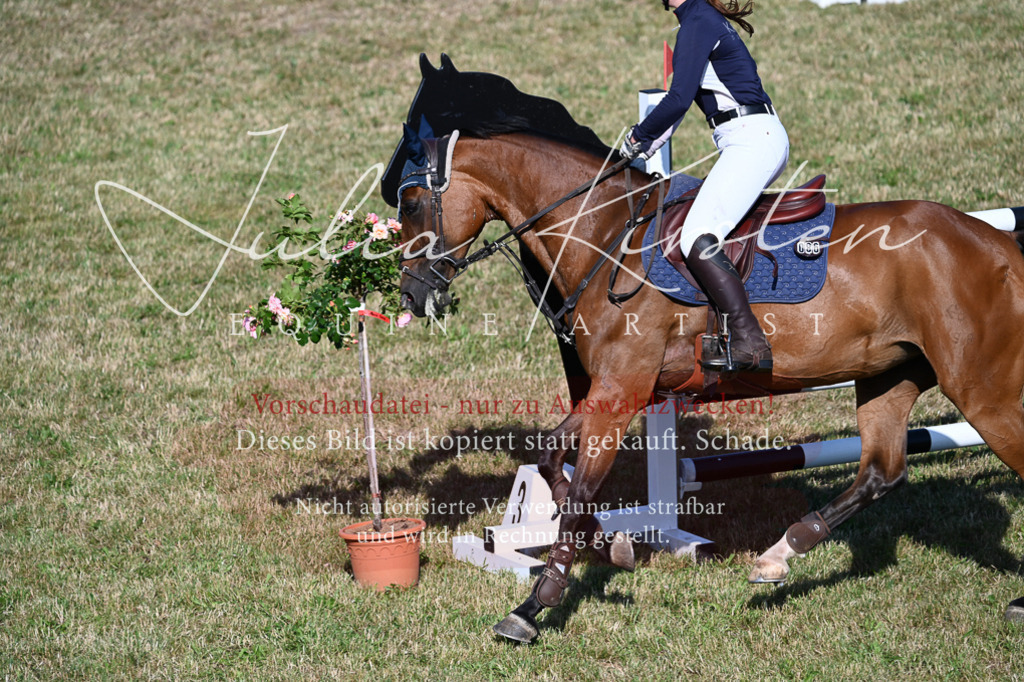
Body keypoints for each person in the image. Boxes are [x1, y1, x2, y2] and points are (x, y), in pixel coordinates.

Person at [621, 0, 789, 373]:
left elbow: (678, 99)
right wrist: (637, 151)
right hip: (752, 136)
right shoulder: (697, 19)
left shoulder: (697, 21)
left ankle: (750, 341)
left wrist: (637, 137)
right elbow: (677, 107)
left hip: (752, 139)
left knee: (696, 234)